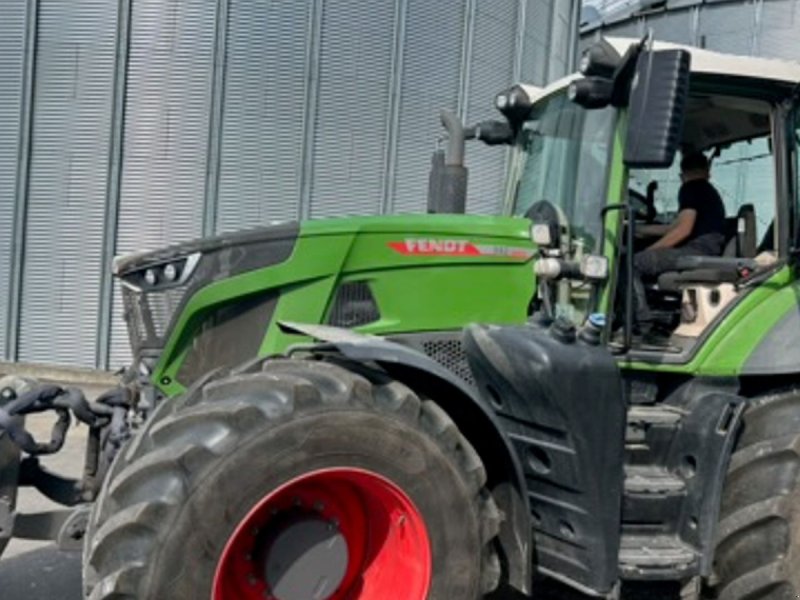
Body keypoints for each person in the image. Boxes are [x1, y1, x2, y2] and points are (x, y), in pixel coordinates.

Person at [632, 151, 726, 324]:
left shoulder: (692, 189)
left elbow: (683, 230)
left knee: (633, 263)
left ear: (682, 175)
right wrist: (639, 229)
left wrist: (650, 250)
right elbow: (674, 227)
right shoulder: (707, 191)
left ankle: (641, 321)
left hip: (695, 251)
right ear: (707, 171)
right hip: (706, 249)